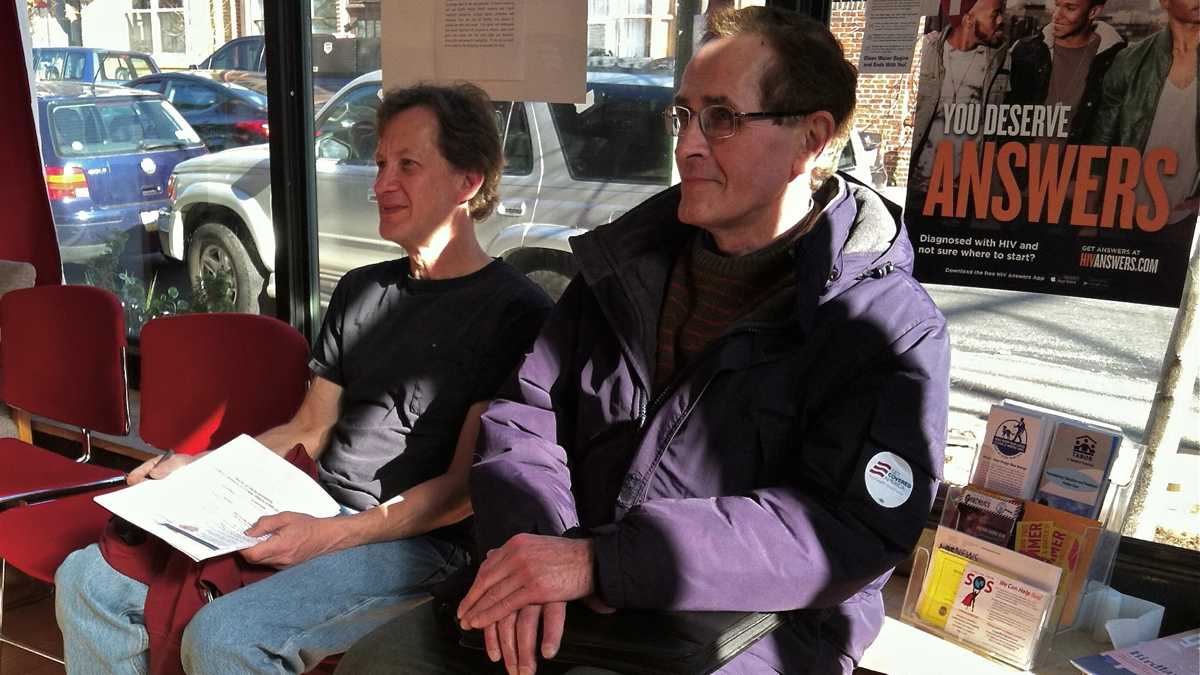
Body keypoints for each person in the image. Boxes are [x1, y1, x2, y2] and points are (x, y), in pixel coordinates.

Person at [336, 6, 950, 675]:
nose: (687, 143)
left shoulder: (885, 327)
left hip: (755, 628)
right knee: (381, 662)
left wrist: (602, 562)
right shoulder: (624, 269)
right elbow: (523, 415)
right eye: (683, 115)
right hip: (571, 588)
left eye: (721, 118)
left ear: (811, 137)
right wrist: (534, 543)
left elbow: (846, 527)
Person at [53, 82, 553, 675]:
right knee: (86, 579)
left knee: (225, 638)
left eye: (408, 166)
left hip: (417, 545)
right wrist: (197, 471)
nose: (381, 184)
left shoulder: (515, 312)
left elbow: (459, 492)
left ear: (468, 182)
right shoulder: (362, 289)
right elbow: (309, 428)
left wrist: (327, 537)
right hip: (312, 499)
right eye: (380, 164)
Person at [1087, 0, 1199, 235]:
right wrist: (1088, 218)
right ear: (1164, 2)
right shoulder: (1130, 61)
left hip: (1187, 222)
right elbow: (1101, 145)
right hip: (1125, 216)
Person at [909, 0, 1009, 216]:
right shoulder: (926, 50)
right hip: (918, 188)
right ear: (968, 18)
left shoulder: (999, 61)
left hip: (964, 192)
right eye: (995, 14)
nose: (1001, 20)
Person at [1005, 0, 1125, 145]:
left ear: (1093, 12)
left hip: (1076, 165)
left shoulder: (1115, 60)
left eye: (1070, 8)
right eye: (1057, 5)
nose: (1056, 15)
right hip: (1019, 163)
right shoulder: (1024, 51)